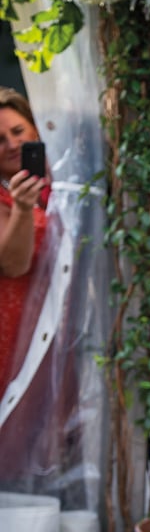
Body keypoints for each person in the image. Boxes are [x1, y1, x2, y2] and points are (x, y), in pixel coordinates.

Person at [0, 88, 48, 397]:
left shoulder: (66, 179)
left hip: (60, 317)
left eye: (18, 131)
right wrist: (21, 208)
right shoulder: (6, 197)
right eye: (0, 140)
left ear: (34, 127)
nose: (13, 144)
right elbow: (13, 265)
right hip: (15, 326)